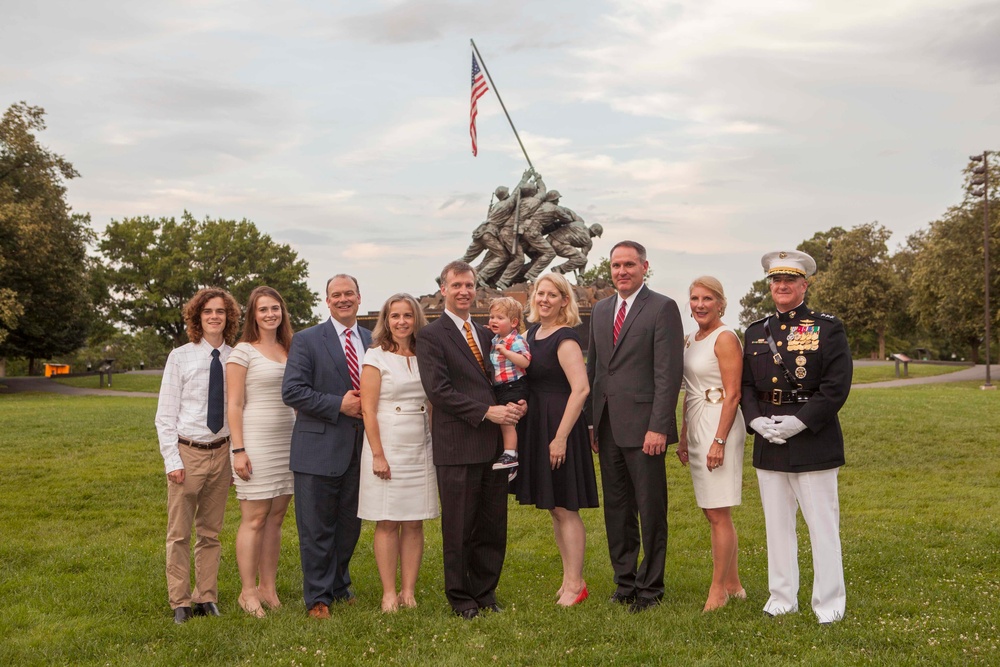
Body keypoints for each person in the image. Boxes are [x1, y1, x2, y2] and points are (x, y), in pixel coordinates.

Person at [741, 250, 852, 624]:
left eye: (790, 280)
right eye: (776, 280)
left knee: (822, 525)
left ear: (804, 285)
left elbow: (836, 387)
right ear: (769, 285)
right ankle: (781, 597)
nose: (782, 286)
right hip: (768, 436)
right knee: (777, 525)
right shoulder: (756, 331)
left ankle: (829, 603)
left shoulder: (827, 326)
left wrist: (799, 422)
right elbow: (745, 386)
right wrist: (755, 421)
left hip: (812, 437)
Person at [415, 260, 525, 619]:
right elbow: (439, 391)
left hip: (494, 446)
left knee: (492, 524)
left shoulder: (485, 333)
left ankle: (486, 592)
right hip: (457, 445)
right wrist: (487, 413)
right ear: (443, 289)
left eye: (469, 285)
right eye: (457, 285)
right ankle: (461, 597)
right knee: (459, 527)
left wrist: (514, 402)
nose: (464, 291)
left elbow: (500, 380)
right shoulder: (430, 336)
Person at [586, 240, 684, 613]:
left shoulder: (662, 308)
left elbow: (668, 373)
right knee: (617, 508)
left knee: (650, 507)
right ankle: (624, 581)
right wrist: (592, 425)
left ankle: (650, 587)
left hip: (646, 430)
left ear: (645, 267)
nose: (622, 271)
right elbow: (597, 371)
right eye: (615, 265)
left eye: (629, 264)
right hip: (608, 427)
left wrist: (659, 426)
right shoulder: (600, 310)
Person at [282, 274, 371, 619]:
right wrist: (339, 405)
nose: (343, 299)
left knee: (349, 526)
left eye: (349, 293)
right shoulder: (306, 340)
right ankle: (317, 596)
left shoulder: (372, 339)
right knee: (317, 528)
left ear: (359, 298)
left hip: (359, 449)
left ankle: (339, 584)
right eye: (337, 294)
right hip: (317, 450)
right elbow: (292, 391)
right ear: (328, 301)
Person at [512, 273, 599, 606]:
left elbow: (581, 389)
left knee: (565, 505)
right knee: (554, 507)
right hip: (537, 424)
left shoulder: (566, 339)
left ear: (565, 300)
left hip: (559, 427)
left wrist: (560, 438)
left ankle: (576, 584)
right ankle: (568, 579)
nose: (543, 299)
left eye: (552, 295)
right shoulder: (531, 333)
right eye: (539, 293)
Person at [155, 287, 240, 624]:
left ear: (228, 317)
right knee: (179, 533)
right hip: (188, 452)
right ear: (197, 317)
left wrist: (234, 458)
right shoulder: (180, 356)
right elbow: (165, 415)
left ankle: (206, 596)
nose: (214, 316)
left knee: (211, 532)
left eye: (220, 311)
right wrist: (172, 461)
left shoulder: (236, 357)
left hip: (221, 453)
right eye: (208, 312)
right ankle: (180, 601)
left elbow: (237, 412)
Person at [357, 293, 439, 613]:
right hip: (387, 443)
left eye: (407, 315)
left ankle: (408, 591)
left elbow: (432, 402)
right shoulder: (375, 356)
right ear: (386, 321)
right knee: (389, 520)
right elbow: (368, 409)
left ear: (416, 319)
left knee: (415, 521)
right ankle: (389, 593)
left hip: (421, 442)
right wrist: (378, 454)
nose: (402, 321)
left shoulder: (426, 354)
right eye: (395, 316)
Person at [676, 276, 746, 612]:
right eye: (694, 299)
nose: (700, 305)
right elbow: (690, 389)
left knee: (719, 510)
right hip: (697, 421)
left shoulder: (725, 337)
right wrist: (684, 433)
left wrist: (718, 441)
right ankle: (733, 584)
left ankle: (718, 590)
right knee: (710, 509)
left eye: (707, 299)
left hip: (721, 423)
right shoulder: (690, 339)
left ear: (720, 303)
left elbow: (733, 394)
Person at [226, 286, 296, 618]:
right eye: (263, 309)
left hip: (288, 441)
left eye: (275, 308)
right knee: (254, 519)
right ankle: (247, 591)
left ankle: (268, 587)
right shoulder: (243, 351)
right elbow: (235, 404)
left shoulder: (289, 348)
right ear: (253, 315)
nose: (270, 314)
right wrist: (238, 450)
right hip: (254, 442)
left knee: (276, 518)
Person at [487, 296, 531, 479]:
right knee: (504, 420)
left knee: (507, 420)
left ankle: (511, 455)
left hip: (513, 385)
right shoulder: (496, 338)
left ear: (513, 322)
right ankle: (510, 456)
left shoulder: (516, 340)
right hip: (501, 386)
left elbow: (525, 361)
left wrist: (507, 352)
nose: (493, 321)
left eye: (499, 317)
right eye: (491, 317)